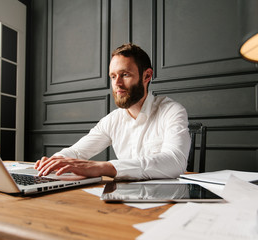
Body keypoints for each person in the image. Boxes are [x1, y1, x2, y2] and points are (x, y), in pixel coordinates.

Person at [35, 43, 190, 180]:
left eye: (125, 75)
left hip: (166, 201)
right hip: (124, 198)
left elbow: (175, 162)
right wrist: (54, 162)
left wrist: (105, 167)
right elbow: (76, 152)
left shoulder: (172, 111)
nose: (117, 84)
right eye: (113, 76)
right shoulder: (112, 120)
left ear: (147, 76)